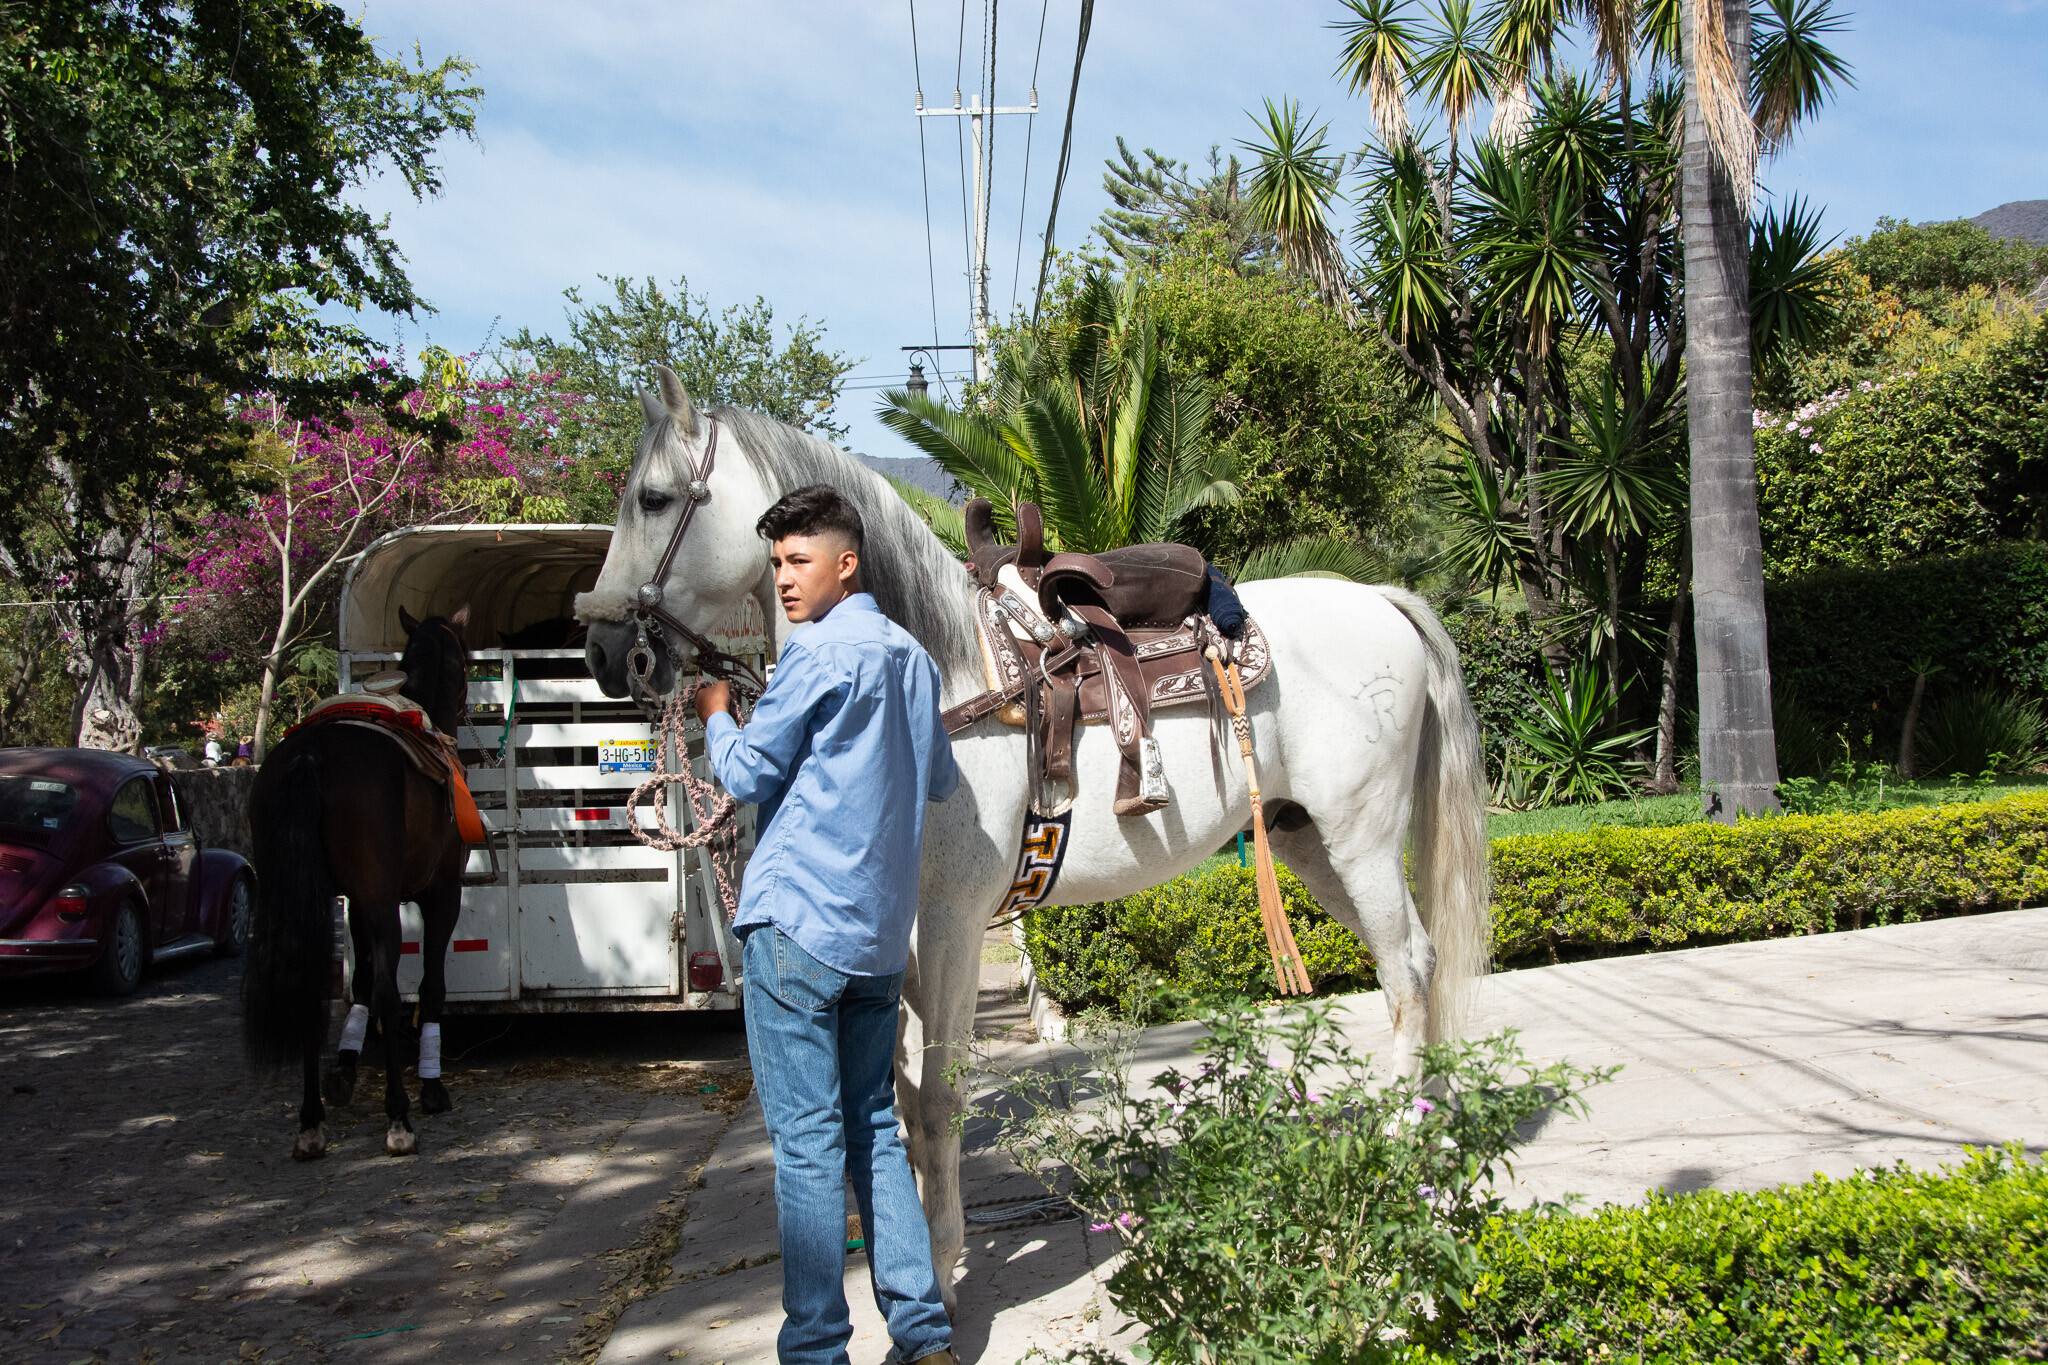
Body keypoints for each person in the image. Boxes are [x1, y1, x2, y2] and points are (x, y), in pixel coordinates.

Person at [694, 484, 959, 1365]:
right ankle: (922, 1335)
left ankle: (815, 1349)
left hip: (796, 929)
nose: (783, 579)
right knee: (873, 1128)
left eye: (798, 560)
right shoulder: (913, 659)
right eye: (775, 562)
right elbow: (936, 783)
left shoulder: (815, 654)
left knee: (808, 1148)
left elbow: (745, 774)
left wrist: (718, 715)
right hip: (878, 940)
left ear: (847, 562)